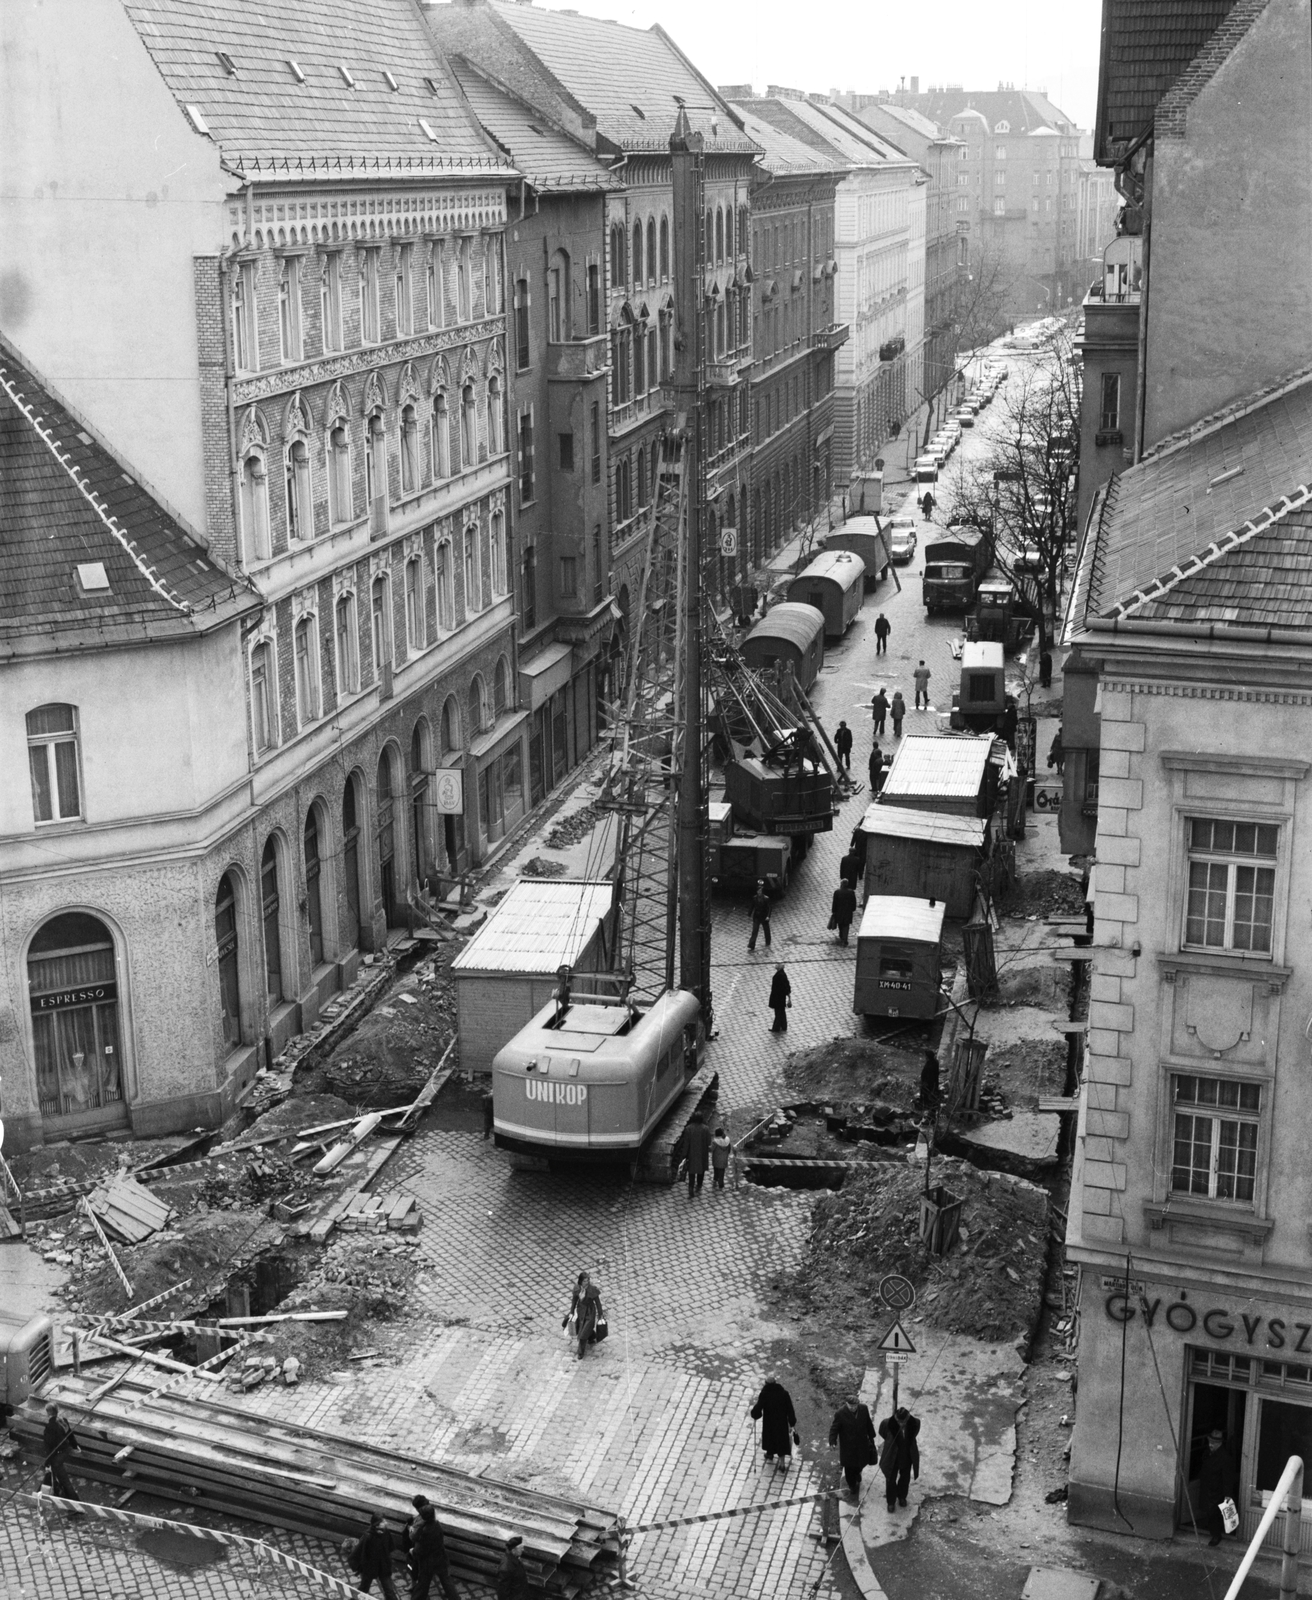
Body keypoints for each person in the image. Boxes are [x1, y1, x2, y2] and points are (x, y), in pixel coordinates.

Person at [410, 1502, 461, 1600]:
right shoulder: (437, 1525)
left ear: (423, 1517)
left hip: (427, 1563)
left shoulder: (423, 1531)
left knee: (422, 1585)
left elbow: (419, 1548)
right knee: (447, 1582)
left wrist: (413, 1552)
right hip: (440, 1558)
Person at [829, 1396, 876, 1499]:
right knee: (849, 1467)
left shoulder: (863, 1409)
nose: (854, 1408)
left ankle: (858, 1472)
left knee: (861, 1462)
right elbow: (834, 1428)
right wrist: (832, 1441)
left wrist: (872, 1436)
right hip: (848, 1446)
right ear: (846, 1404)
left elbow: (868, 1422)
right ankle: (852, 1485)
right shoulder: (840, 1413)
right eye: (851, 1406)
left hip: (861, 1444)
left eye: (855, 1406)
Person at [750, 1376, 799, 1472]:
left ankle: (770, 1453)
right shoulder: (784, 1394)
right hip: (781, 1422)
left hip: (769, 1423)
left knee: (770, 1438)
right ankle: (782, 1463)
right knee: (781, 1441)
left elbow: (758, 1407)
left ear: (766, 1384)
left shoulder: (765, 1394)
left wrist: (755, 1414)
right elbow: (790, 1409)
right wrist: (792, 1422)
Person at [1198, 1428, 1238, 1546]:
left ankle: (1216, 1536)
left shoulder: (1225, 1458)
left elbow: (1227, 1479)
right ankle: (1213, 1531)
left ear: (1219, 1443)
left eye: (1213, 1443)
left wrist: (1227, 1495)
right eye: (1210, 1442)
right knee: (1209, 1513)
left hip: (1217, 1492)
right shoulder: (1210, 1452)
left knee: (1214, 1514)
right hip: (1209, 1488)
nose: (1210, 1445)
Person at [878, 1406, 921, 1511]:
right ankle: (891, 1502)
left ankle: (902, 1497)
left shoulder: (915, 1422)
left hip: (907, 1456)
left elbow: (914, 1434)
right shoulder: (887, 1423)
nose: (901, 1424)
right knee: (890, 1480)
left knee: (905, 1479)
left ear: (908, 1418)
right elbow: (882, 1433)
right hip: (892, 1457)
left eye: (904, 1422)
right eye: (899, 1422)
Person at [351, 1512, 399, 1599]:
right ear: (377, 1525)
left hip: (383, 1566)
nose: (386, 1523)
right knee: (363, 1589)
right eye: (383, 1522)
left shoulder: (386, 1532)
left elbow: (390, 1547)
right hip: (370, 1568)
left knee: (389, 1590)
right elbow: (359, 1552)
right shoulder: (368, 1537)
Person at [42, 1403, 82, 1504]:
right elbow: (70, 1434)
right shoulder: (63, 1420)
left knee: (64, 1480)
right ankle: (64, 1498)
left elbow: (49, 1446)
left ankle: (75, 1503)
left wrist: (47, 1462)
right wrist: (74, 1446)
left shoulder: (50, 1426)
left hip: (57, 1456)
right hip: (65, 1451)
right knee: (57, 1475)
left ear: (48, 1413)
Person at [563, 1270, 605, 1360]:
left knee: (582, 1334)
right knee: (582, 1328)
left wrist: (600, 1314)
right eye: (585, 1281)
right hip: (580, 1311)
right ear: (581, 1281)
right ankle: (592, 1336)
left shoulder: (592, 1289)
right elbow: (574, 1301)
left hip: (590, 1312)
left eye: (588, 1280)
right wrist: (571, 1312)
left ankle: (580, 1352)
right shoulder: (577, 1289)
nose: (587, 1282)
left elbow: (598, 1303)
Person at [682, 1110, 712, 1200]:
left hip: (692, 1154)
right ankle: (699, 1185)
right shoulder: (706, 1129)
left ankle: (691, 1188)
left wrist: (684, 1155)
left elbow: (686, 1143)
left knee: (691, 1172)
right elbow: (708, 1142)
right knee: (701, 1170)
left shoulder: (688, 1128)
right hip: (702, 1153)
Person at [495, 1536, 531, 1600]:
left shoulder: (515, 1557)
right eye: (521, 1548)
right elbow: (503, 1593)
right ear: (514, 1550)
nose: (523, 1550)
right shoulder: (505, 1568)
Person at [830, 878, 857, 947]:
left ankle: (842, 936)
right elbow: (853, 902)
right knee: (846, 925)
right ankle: (845, 939)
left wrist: (833, 911)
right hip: (848, 912)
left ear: (841, 884)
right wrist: (853, 909)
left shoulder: (837, 892)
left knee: (840, 925)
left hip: (839, 912)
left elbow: (834, 903)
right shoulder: (851, 892)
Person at [748, 880, 772, 952]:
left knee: (766, 930)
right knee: (755, 931)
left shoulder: (766, 899)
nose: (759, 892)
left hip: (764, 916)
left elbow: (769, 908)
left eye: (760, 891)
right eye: (758, 891)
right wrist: (749, 913)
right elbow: (752, 906)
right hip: (757, 917)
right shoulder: (754, 898)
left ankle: (768, 941)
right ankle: (751, 945)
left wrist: (768, 916)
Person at [768, 964, 792, 1034]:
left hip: (777, 997)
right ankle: (783, 1026)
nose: (775, 966)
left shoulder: (780, 975)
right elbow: (786, 985)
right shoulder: (782, 974)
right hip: (781, 997)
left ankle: (776, 1027)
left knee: (778, 1012)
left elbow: (782, 986)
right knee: (781, 1011)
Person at [919, 1051, 941, 1115]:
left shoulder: (930, 1065)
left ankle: (927, 1109)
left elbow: (930, 1076)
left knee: (928, 1096)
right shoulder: (934, 1062)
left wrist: (924, 1083)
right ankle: (928, 1107)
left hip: (928, 1084)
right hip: (931, 1083)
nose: (925, 1057)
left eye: (925, 1056)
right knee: (930, 1096)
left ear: (928, 1057)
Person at [711, 1126, 732, 1190]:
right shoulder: (727, 1141)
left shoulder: (715, 1142)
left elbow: (712, 1149)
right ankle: (721, 1184)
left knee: (716, 1169)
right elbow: (729, 1150)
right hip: (724, 1159)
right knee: (722, 1172)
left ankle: (715, 1180)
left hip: (716, 1159)